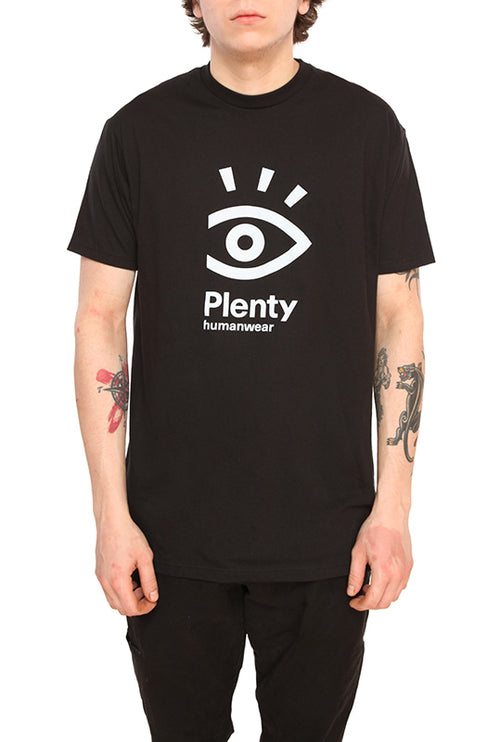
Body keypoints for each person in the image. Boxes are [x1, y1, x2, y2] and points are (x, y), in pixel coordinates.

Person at [67, 1, 435, 739]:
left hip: (328, 539)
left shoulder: (368, 130)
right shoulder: (137, 133)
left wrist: (392, 512)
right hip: (168, 541)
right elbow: (99, 320)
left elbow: (399, 319)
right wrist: (111, 518)